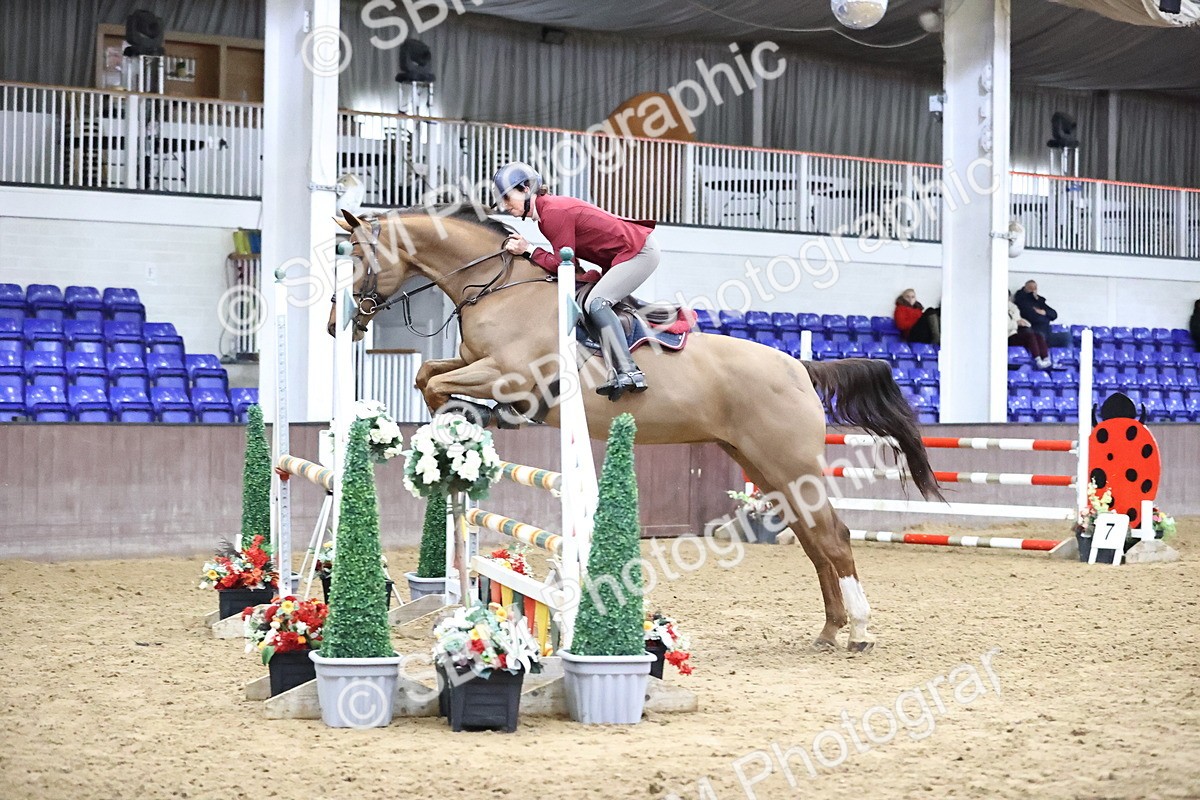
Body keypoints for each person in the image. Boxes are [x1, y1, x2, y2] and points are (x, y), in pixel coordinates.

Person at [494, 162, 659, 401]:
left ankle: (629, 371)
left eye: (507, 198)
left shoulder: (552, 213)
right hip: (625, 255)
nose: (505, 206)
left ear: (526, 189)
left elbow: (565, 264)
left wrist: (528, 250)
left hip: (639, 252)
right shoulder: (546, 214)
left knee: (596, 303)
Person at [1013, 280, 1069, 347]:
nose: (1033, 290)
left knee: (1066, 337)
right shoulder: (1021, 301)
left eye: (1035, 288)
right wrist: (1047, 317)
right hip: (1033, 331)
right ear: (1025, 288)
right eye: (1030, 288)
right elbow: (1034, 318)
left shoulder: (1039, 301)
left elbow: (1054, 314)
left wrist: (1044, 312)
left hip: (1047, 332)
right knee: (1040, 337)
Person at [1009, 295, 1051, 369]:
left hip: (1015, 333)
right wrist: (1016, 323)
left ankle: (1045, 359)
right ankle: (1037, 360)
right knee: (1029, 336)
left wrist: (1025, 323)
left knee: (1038, 335)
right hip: (1007, 336)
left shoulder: (1012, 307)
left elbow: (1018, 318)